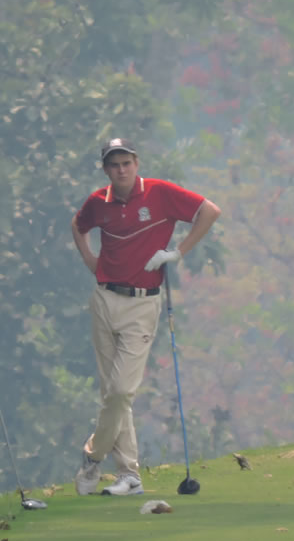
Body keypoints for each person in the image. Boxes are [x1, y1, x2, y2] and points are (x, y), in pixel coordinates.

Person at [72, 138, 221, 496]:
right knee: (112, 393)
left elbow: (209, 211)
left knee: (122, 390)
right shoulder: (98, 201)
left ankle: (93, 456)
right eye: (114, 165)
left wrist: (177, 253)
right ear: (106, 169)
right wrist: (90, 260)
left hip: (142, 303)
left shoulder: (159, 193)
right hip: (105, 298)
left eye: (126, 163)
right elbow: (78, 226)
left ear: (136, 163)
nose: (121, 170)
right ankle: (129, 476)